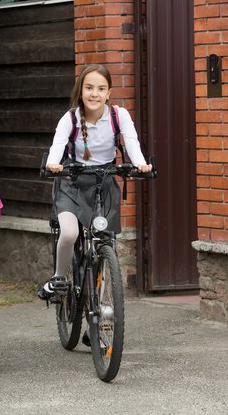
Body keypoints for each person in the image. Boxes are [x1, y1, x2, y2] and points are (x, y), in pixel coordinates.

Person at [37, 64, 152, 301]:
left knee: (104, 242)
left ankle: (96, 311)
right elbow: (57, 145)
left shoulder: (119, 115)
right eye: (89, 88)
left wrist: (140, 163)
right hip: (73, 182)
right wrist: (53, 164)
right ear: (81, 91)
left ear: (109, 93)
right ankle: (58, 278)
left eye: (101, 89)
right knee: (69, 233)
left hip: (104, 181)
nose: (94, 94)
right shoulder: (70, 118)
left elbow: (131, 141)